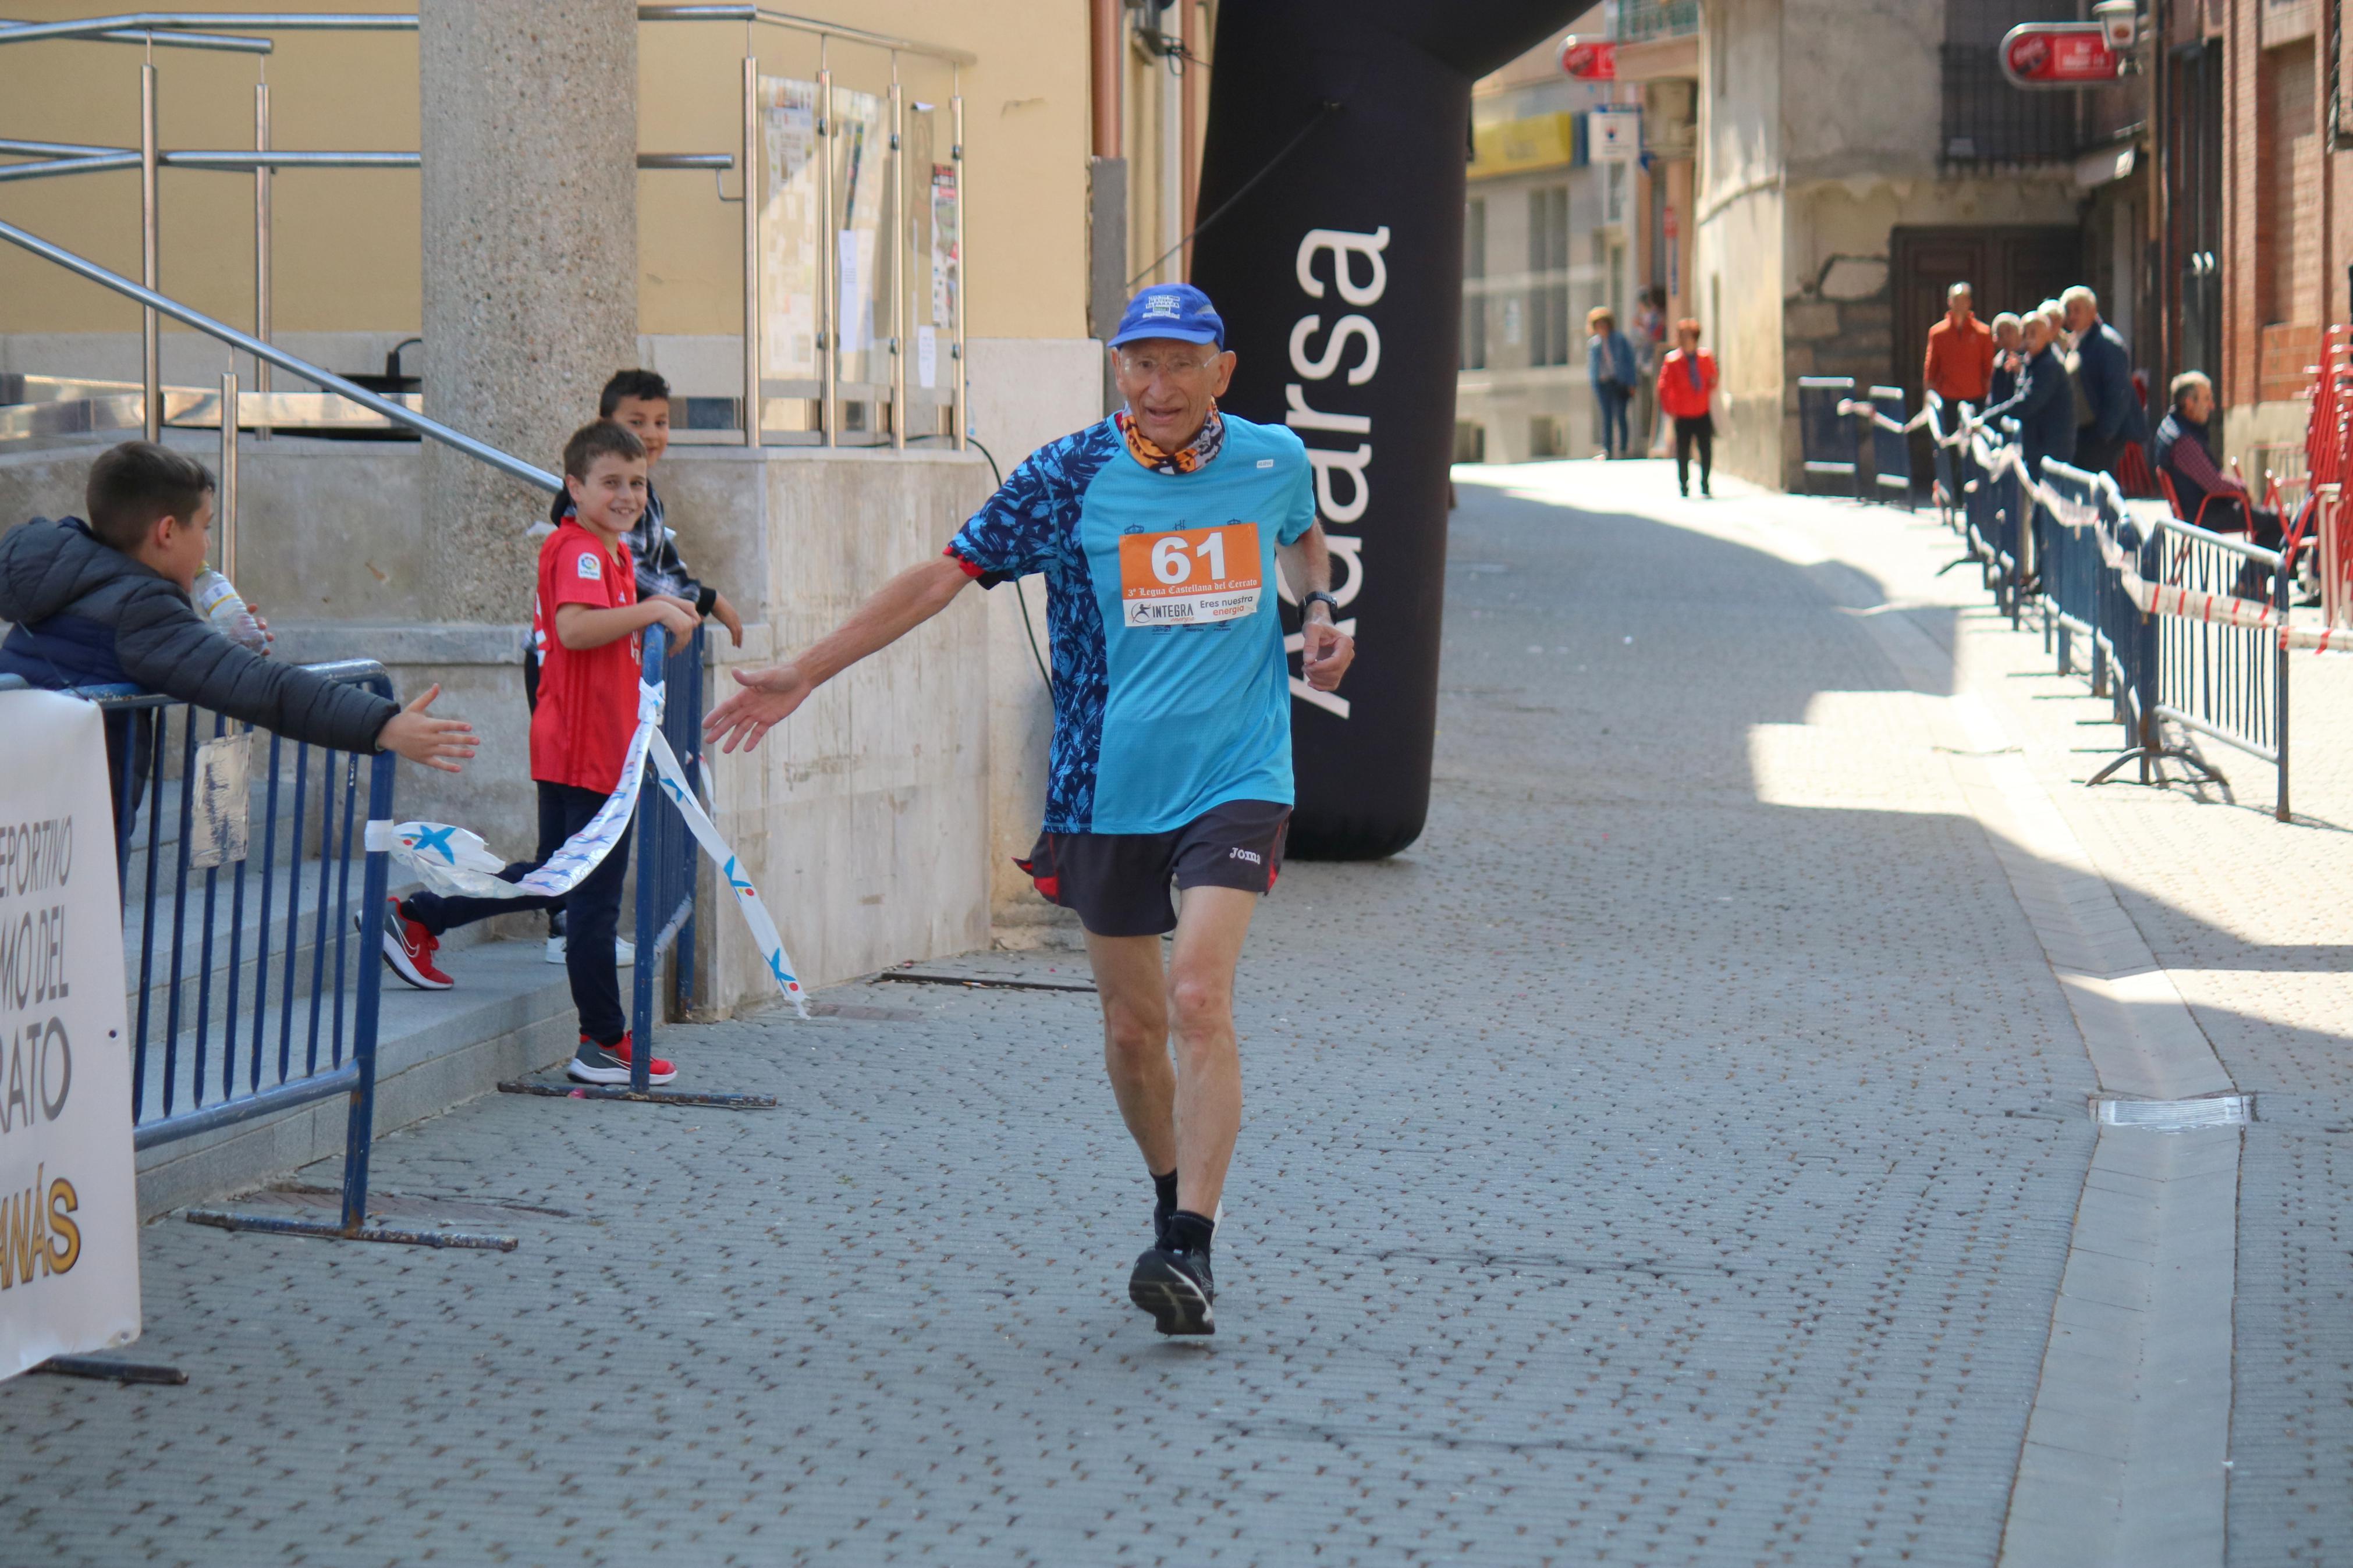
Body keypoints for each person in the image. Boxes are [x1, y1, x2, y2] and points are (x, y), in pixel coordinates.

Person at [701, 282, 1355, 1337]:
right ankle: (1167, 1194)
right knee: (1133, 1026)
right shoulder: (1068, 477)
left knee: (1195, 997)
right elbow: (942, 576)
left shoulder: (1273, 456)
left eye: (1182, 363)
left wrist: (1321, 608)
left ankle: (1189, 1241)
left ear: (1222, 372)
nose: (1159, 385)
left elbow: (1304, 539)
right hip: (1106, 784)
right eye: (1140, 364)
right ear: (1118, 373)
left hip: (1240, 771)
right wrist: (807, 673)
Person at [373, 421, 702, 1088]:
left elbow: (600, 637)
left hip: (589, 749)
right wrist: (654, 611)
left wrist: (651, 623)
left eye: (636, 483)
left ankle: (416, 916)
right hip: (587, 754)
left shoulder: (610, 553)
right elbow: (576, 629)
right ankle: (603, 1041)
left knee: (553, 877)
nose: (627, 495)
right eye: (610, 482)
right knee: (589, 903)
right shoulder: (577, 549)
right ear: (574, 486)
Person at [0, 440, 475, 838]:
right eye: (204, 527)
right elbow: (263, 688)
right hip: (64, 830)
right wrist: (382, 725)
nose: (208, 545)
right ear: (167, 531)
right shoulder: (139, 608)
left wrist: (204, 639)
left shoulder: (60, 572)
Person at [530, 369, 746, 968]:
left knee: (579, 854)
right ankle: (564, 945)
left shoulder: (620, 526)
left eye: (660, 423)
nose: (650, 435)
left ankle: (583, 962)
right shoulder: (580, 542)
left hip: (600, 710)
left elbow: (655, 576)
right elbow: (587, 620)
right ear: (577, 483)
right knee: (570, 851)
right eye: (635, 423)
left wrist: (674, 608)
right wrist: (682, 604)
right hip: (569, 698)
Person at [2151, 371, 2283, 550]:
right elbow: (2215, 484)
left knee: (2266, 519)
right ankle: (2249, 578)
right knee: (2278, 521)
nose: (2212, 406)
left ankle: (2256, 575)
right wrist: (2242, 489)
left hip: (2197, 509)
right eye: (2207, 399)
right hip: (2204, 513)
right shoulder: (2183, 440)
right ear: (2189, 403)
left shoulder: (2170, 426)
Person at [1974, 309, 2076, 481]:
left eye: (2034, 333)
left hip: (2051, 448)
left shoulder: (2049, 365)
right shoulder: (2031, 361)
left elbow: (2028, 402)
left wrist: (1986, 419)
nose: (2029, 338)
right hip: (2036, 445)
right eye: (2025, 333)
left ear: (2048, 336)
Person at [2063, 286, 2148, 478]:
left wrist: (2105, 434)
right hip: (2082, 432)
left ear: (2093, 311)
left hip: (2099, 436)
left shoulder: (2107, 343)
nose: (2072, 316)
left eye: (2078, 310)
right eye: (2069, 311)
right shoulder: (2077, 341)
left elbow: (2119, 391)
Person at [1657, 317, 1717, 499]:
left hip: (1702, 410)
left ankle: (1705, 483)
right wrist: (1670, 409)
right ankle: (1684, 485)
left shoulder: (1705, 358)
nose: (1685, 340)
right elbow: (1664, 386)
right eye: (1682, 336)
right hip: (1682, 413)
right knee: (1683, 451)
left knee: (1705, 449)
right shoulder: (1673, 360)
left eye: (1689, 336)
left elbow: (1713, 379)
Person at [1922, 282, 1994, 410]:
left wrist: (1990, 400)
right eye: (1956, 299)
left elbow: (1988, 369)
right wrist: (1927, 403)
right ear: (1949, 302)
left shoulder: (1983, 332)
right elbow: (1931, 368)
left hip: (1976, 397)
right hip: (1947, 398)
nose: (1960, 304)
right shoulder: (1937, 332)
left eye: (1964, 299)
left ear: (1970, 302)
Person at [1585, 307, 1638, 460]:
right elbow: (1593, 367)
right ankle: (1607, 449)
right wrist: (1595, 384)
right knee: (1606, 417)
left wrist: (1632, 383)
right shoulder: (1594, 344)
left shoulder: (1620, 340)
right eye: (1598, 325)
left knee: (1621, 415)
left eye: (1604, 324)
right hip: (1603, 384)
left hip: (1619, 382)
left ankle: (1623, 448)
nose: (1602, 328)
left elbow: (1630, 362)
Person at [1631, 287, 1667, 454]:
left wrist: (1641, 328)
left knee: (1653, 399)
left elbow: (1653, 337)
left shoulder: (1656, 318)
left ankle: (1653, 440)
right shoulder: (1650, 317)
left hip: (1653, 362)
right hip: (1646, 363)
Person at [1986, 312, 2024, 409]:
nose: (2005, 338)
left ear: (2019, 332)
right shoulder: (1998, 362)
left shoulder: (2029, 356)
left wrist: (2021, 372)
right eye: (2000, 334)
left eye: (2009, 331)